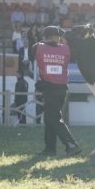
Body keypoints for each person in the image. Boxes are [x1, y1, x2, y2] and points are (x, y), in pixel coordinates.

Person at [30, 26, 81, 156]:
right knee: (50, 117)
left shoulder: (37, 47)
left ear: (45, 36)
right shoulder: (66, 48)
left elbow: (31, 54)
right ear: (57, 36)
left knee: (51, 117)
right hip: (62, 88)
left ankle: (71, 144)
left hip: (48, 87)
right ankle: (50, 149)